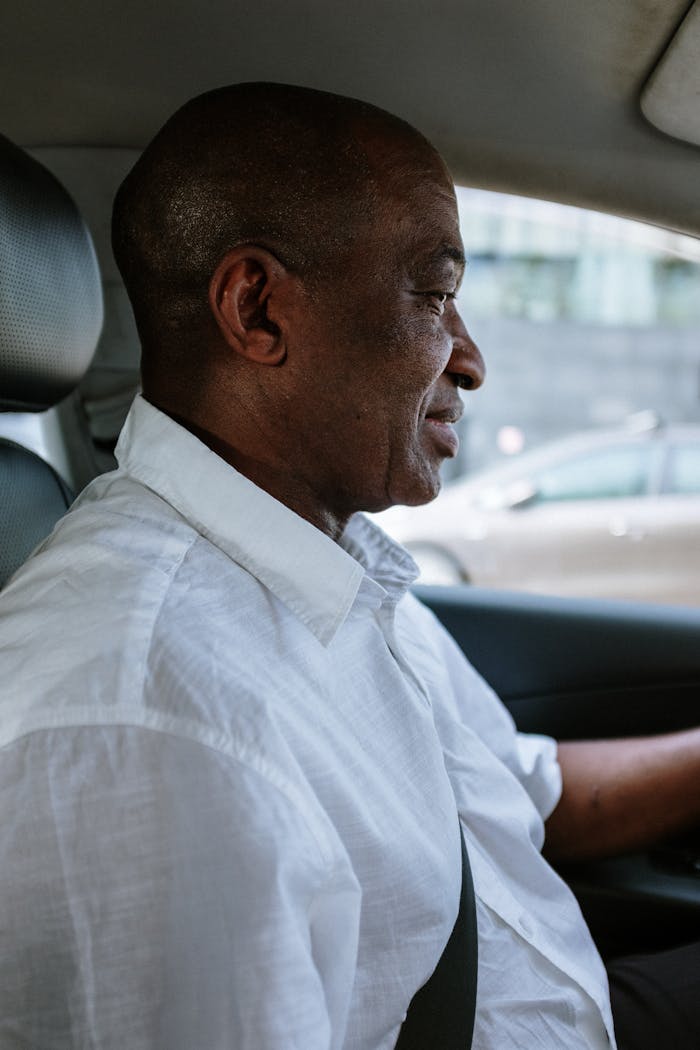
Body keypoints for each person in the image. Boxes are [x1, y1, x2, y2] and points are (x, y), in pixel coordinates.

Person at [0, 82, 699, 1050]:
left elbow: (526, 795)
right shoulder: (150, 713)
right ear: (258, 311)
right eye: (433, 295)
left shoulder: (331, 567)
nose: (470, 360)